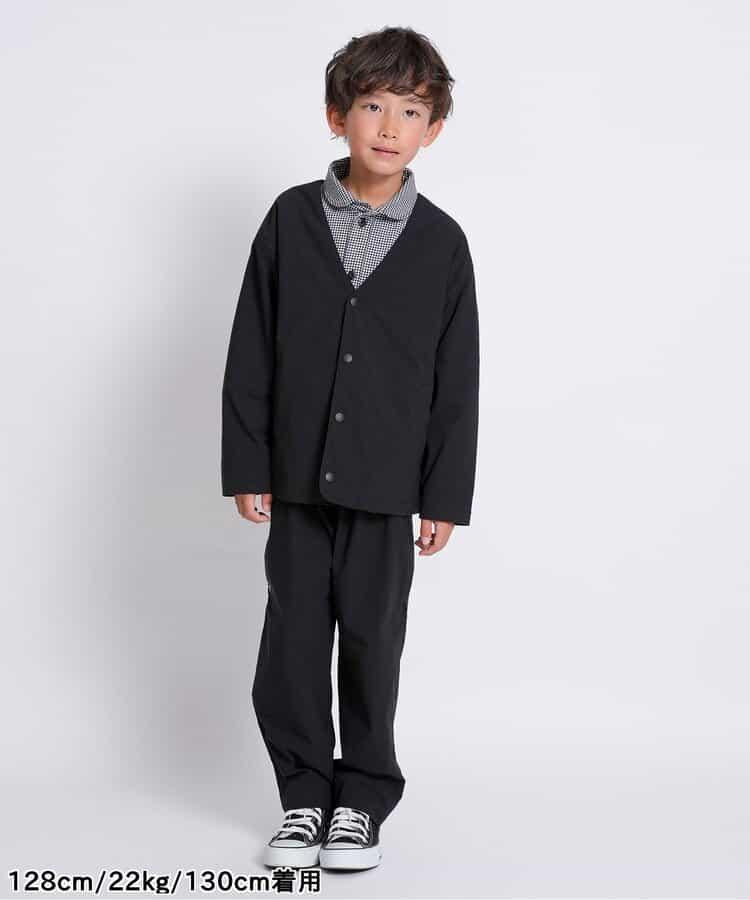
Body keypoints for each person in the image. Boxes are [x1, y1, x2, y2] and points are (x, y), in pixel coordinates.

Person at [221, 25, 480, 872]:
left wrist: (444, 493)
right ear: (338, 116)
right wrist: (249, 462)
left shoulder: (442, 243)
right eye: (372, 105)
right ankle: (303, 798)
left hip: (387, 485)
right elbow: (252, 346)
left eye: (411, 111)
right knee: (293, 645)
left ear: (433, 129)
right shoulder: (291, 219)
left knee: (373, 643)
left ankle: (361, 802)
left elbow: (456, 379)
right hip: (296, 479)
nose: (389, 126)